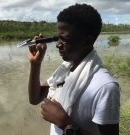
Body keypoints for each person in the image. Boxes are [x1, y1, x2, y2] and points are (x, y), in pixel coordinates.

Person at [28, 3, 120, 135]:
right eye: (57, 37)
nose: (58, 44)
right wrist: (35, 64)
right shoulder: (65, 69)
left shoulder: (105, 87)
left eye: (64, 39)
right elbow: (35, 98)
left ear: (87, 41)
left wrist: (66, 123)